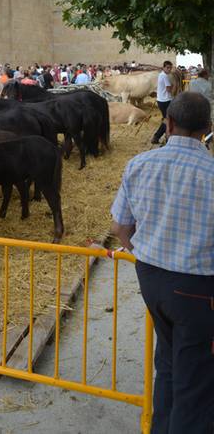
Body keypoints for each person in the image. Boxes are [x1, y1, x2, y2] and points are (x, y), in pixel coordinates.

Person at [111, 92, 214, 433]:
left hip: (151, 280)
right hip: (197, 289)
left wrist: (142, 252)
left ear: (168, 123)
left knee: (168, 362)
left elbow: (121, 227)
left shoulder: (139, 164)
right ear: (207, 129)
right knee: (195, 377)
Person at [151, 60, 174, 144]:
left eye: (170, 68)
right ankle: (160, 137)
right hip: (165, 101)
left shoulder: (161, 75)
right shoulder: (165, 76)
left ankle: (158, 137)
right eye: (167, 68)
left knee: (167, 119)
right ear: (164, 67)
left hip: (161, 100)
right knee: (168, 120)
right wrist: (173, 87)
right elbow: (168, 89)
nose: (169, 69)